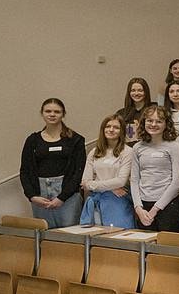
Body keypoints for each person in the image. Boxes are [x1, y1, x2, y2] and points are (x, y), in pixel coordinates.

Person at [20, 98, 86, 228]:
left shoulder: (75, 140)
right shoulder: (32, 140)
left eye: (57, 111)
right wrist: (32, 196)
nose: (52, 114)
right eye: (48, 111)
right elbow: (24, 170)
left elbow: (78, 171)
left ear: (63, 114)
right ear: (42, 113)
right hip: (40, 195)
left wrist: (62, 197)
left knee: (70, 235)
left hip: (68, 196)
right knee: (45, 237)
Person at [130, 105, 179, 232]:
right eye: (149, 120)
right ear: (144, 122)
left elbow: (177, 182)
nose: (153, 124)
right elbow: (134, 180)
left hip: (167, 206)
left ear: (166, 124)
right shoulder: (137, 147)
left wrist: (155, 209)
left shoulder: (174, 146)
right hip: (144, 207)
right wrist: (138, 208)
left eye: (159, 121)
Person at [80, 114, 135, 229]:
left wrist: (94, 184)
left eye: (116, 127)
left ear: (122, 131)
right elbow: (85, 182)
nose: (111, 130)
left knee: (120, 239)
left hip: (118, 202)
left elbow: (120, 181)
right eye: (108, 126)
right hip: (96, 201)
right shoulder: (94, 152)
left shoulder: (128, 152)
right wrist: (110, 187)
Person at [116, 78, 154, 145]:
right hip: (128, 151)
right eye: (133, 90)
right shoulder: (121, 113)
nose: (136, 93)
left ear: (146, 92)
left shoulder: (154, 111)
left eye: (140, 90)